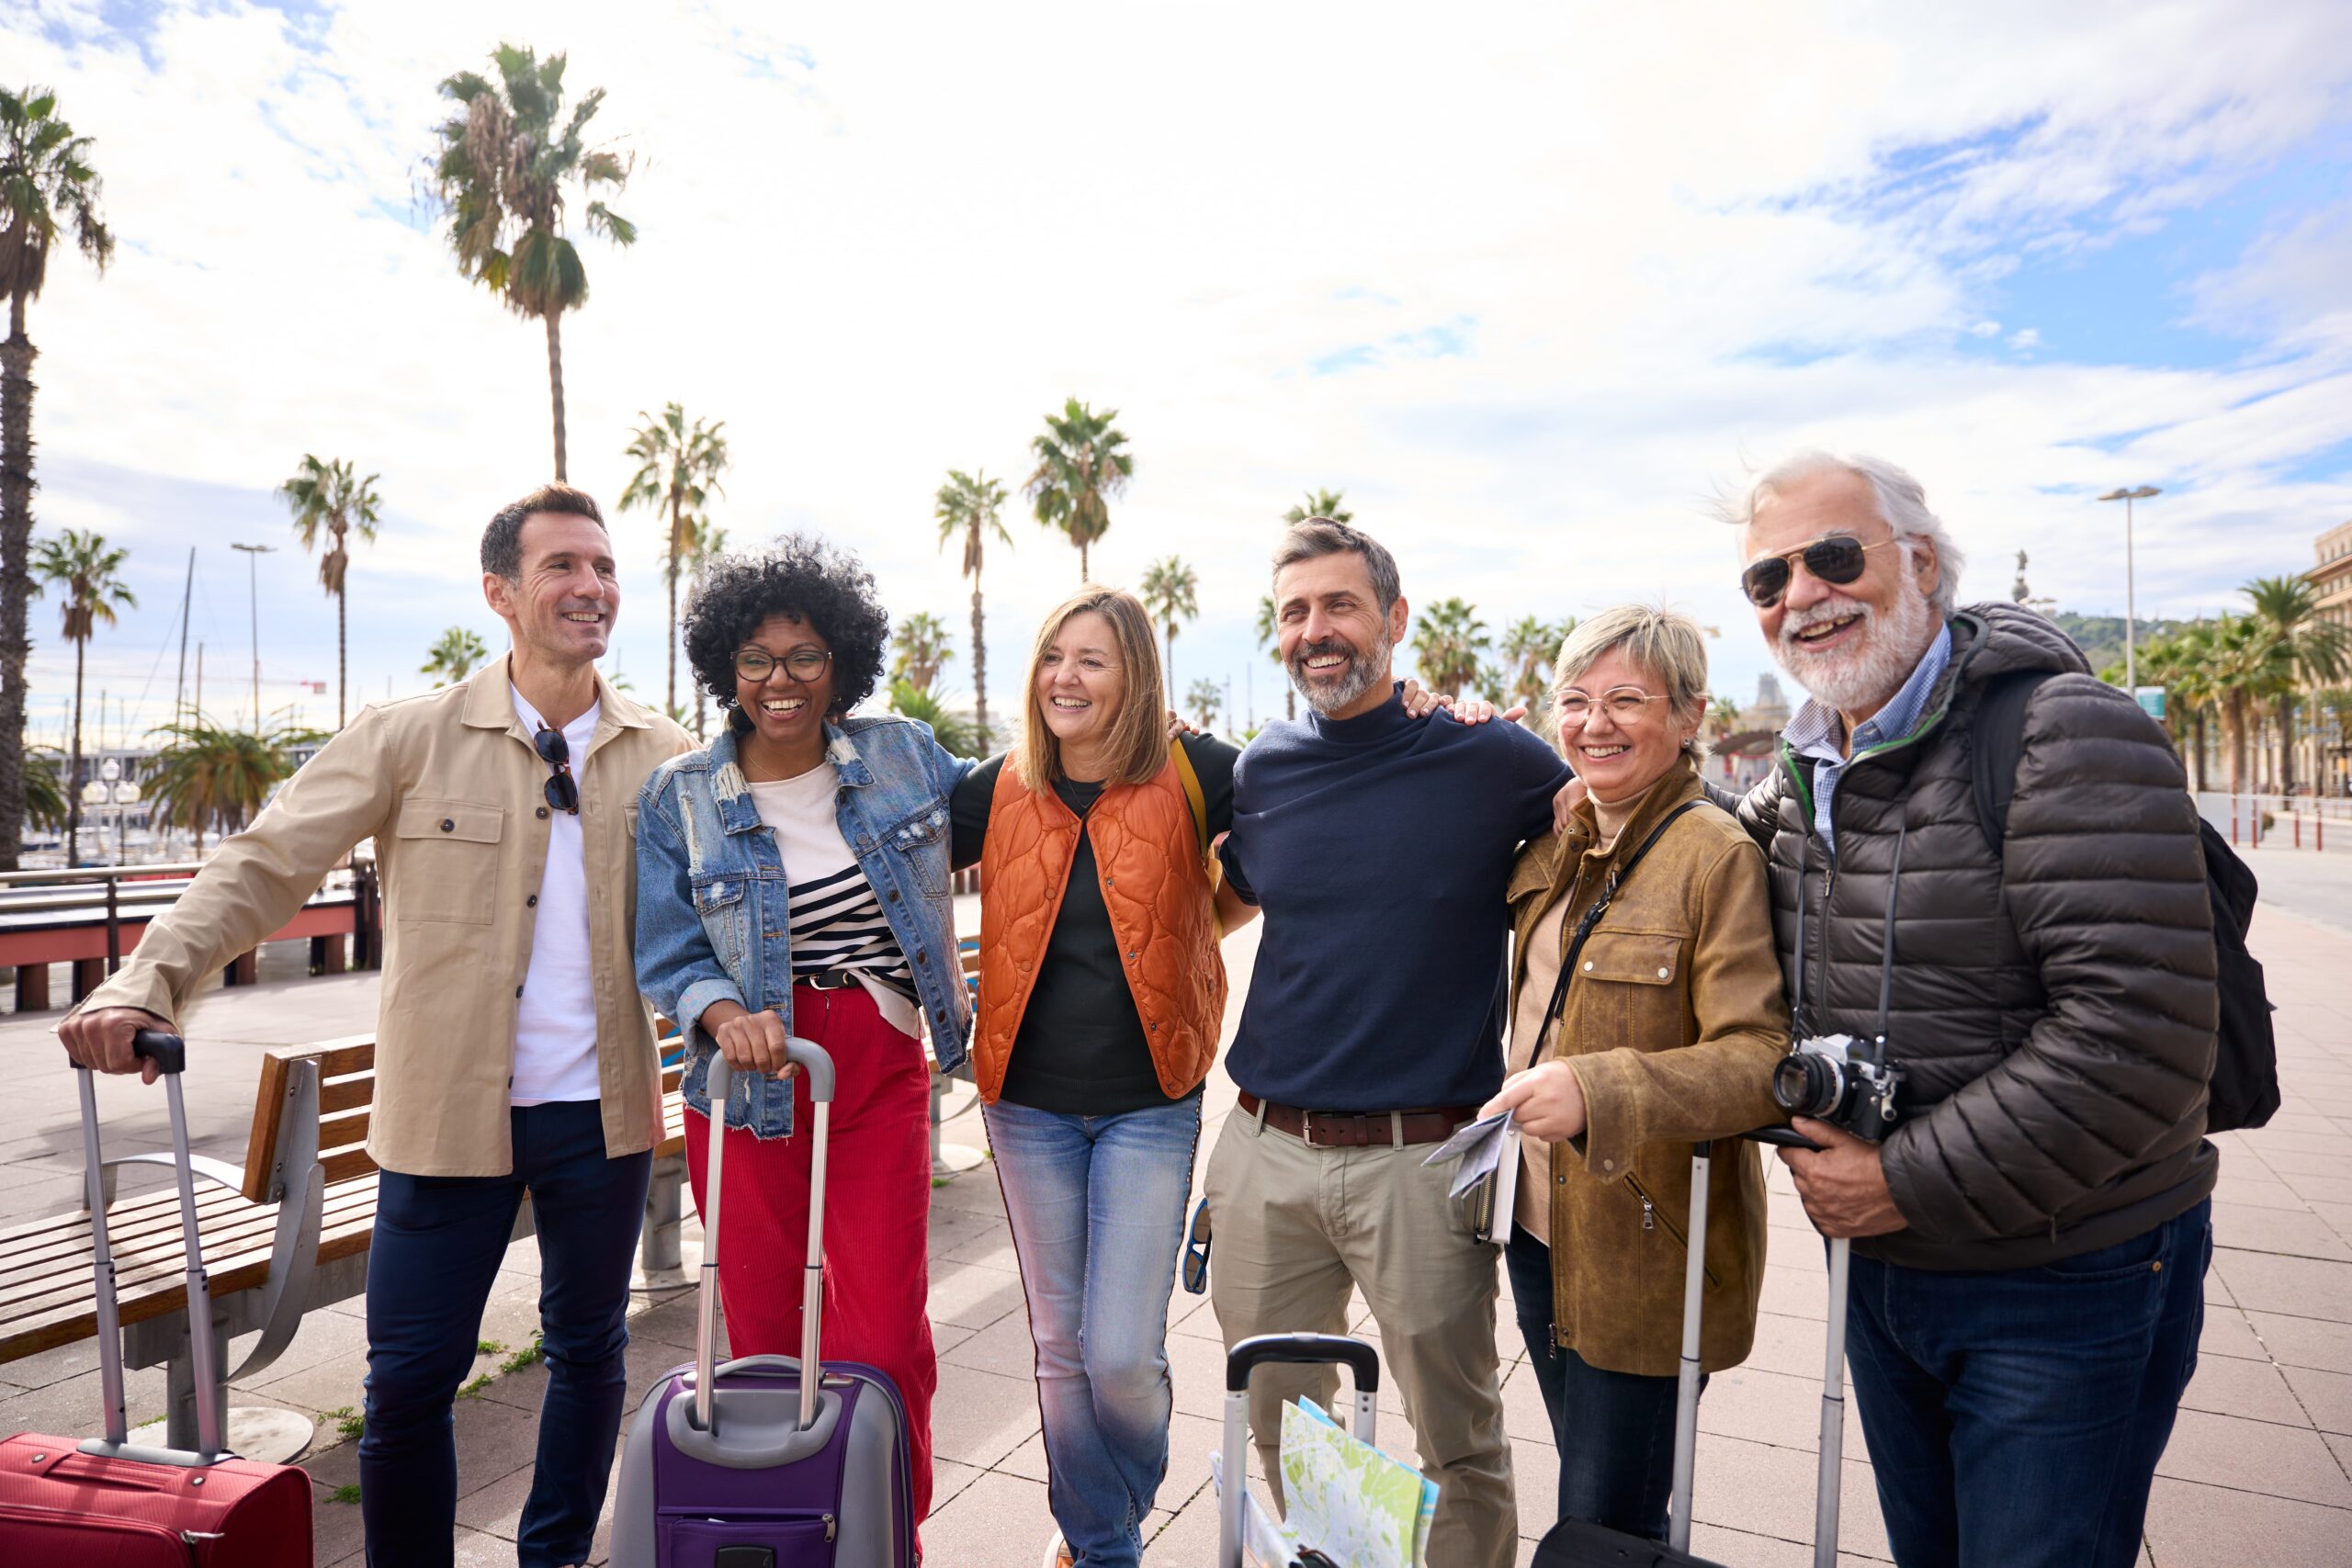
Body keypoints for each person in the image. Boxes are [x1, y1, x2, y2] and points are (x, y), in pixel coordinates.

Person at [60, 484, 690, 1568]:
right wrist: (140, 983)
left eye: (602, 567)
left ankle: (556, 1557)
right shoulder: (405, 740)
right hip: (447, 1123)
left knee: (590, 1356)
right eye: (561, 568)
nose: (591, 588)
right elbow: (263, 865)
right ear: (500, 592)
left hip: (604, 1117)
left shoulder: (666, 752)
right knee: (405, 1386)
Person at [1714, 452, 2218, 1568]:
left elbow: (2137, 1040)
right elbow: (1687, 874)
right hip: (1890, 1276)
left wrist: (1898, 1179)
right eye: (1766, 579)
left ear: (1923, 562)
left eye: (1832, 557)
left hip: (2062, 1275)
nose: (1801, 594)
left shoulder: (2059, 732)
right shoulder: (1801, 774)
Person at [1205, 517, 1571, 1568]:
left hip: (1425, 1154)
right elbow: (1224, 906)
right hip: (1266, 1149)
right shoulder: (1263, 769)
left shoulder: (1487, 754)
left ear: (1395, 621)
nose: (1315, 631)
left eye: (1339, 606)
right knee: (1279, 1422)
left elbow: (1617, 828)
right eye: (1293, 612)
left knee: (1456, 1441)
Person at [632, 535, 975, 1539]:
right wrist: (723, 1010)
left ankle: (888, 1539)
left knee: (884, 1333)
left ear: (842, 664)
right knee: (767, 1339)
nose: (780, 681)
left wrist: (1147, 733)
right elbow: (665, 947)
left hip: (870, 1067)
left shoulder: (905, 753)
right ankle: (790, 1536)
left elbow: (1031, 800)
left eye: (806, 656)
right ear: (724, 666)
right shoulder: (678, 797)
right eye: (756, 659)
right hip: (748, 1083)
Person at [947, 586, 1250, 1568]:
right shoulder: (990, 787)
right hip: (1025, 1105)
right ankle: (1103, 1543)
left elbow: (1294, 835)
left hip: (1148, 1101)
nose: (1065, 679)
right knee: (1057, 1345)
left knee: (1120, 1352)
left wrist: (1202, 925)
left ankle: (1119, 1499)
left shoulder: (1200, 768)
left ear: (1137, 678)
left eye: (1092, 660)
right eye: (1053, 658)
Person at [1483, 604, 1785, 1542]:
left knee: (1605, 1522)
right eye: (1574, 701)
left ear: (1690, 716)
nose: (1593, 723)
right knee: (1591, 1488)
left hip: (1646, 1247)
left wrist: (1601, 1088)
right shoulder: (1566, 837)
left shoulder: (1714, 854)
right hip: (1540, 1224)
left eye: (1626, 700)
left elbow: (1759, 1059)